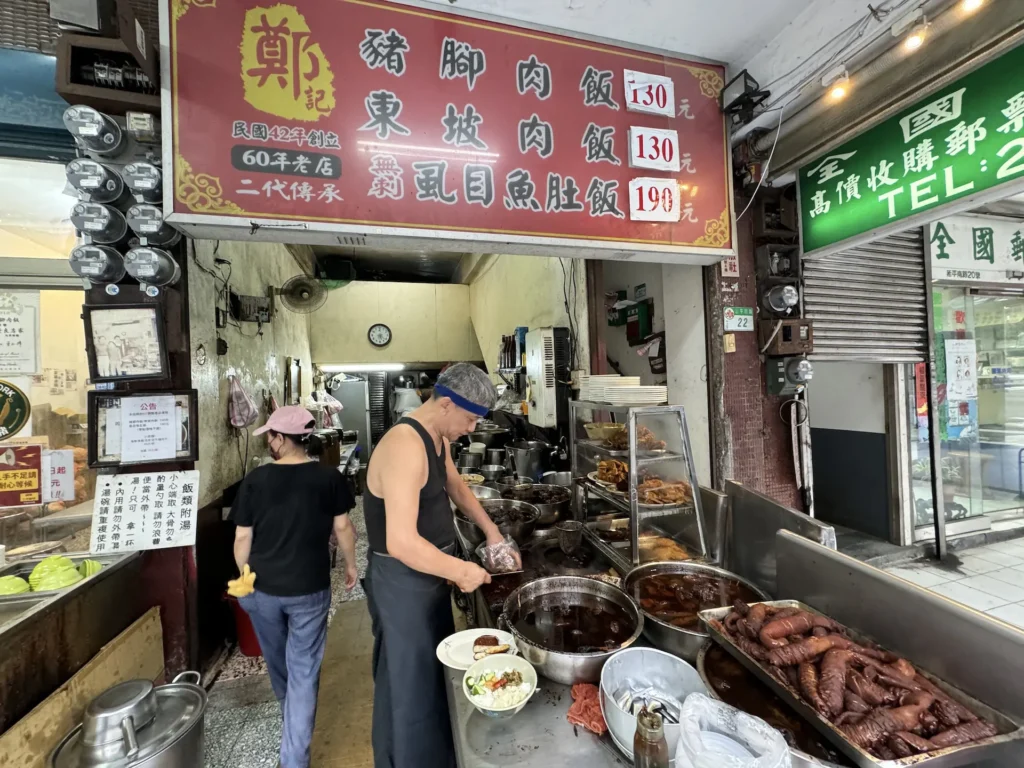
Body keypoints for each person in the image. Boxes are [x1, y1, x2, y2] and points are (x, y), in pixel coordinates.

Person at [364, 363, 508, 768]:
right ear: (446, 404)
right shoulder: (404, 445)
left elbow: (457, 487)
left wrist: (493, 533)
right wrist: (460, 570)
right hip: (402, 582)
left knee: (430, 674)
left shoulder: (436, 437)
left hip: (428, 576)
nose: (472, 430)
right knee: (409, 686)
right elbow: (401, 541)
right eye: (470, 419)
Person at [232, 405, 358, 768]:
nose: (268, 442)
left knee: (280, 666)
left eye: (270, 435)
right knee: (303, 670)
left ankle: (294, 723)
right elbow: (344, 529)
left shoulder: (256, 481)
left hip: (261, 590)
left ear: (282, 439)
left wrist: (243, 576)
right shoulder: (328, 478)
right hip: (309, 589)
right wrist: (350, 565)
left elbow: (242, 538)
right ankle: (294, 752)